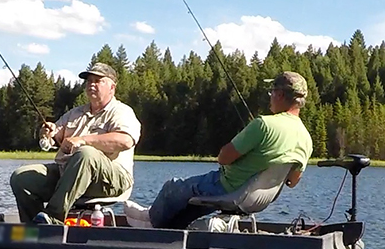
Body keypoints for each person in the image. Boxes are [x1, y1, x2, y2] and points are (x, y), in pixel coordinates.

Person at [125, 71, 312, 229]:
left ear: (280, 94)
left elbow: (223, 158)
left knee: (173, 187)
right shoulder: (306, 138)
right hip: (256, 200)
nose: (270, 96)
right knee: (189, 202)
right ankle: (169, 228)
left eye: (272, 91)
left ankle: (150, 223)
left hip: (227, 186)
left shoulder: (264, 124)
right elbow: (292, 181)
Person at [10, 62, 141, 224]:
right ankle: (33, 229)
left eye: (98, 80)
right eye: (89, 81)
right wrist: (48, 132)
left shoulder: (122, 112)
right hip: (67, 173)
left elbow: (125, 140)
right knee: (21, 177)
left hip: (111, 181)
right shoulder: (75, 113)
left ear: (112, 87)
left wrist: (82, 140)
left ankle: (53, 218)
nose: (91, 84)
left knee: (86, 153)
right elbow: (56, 136)